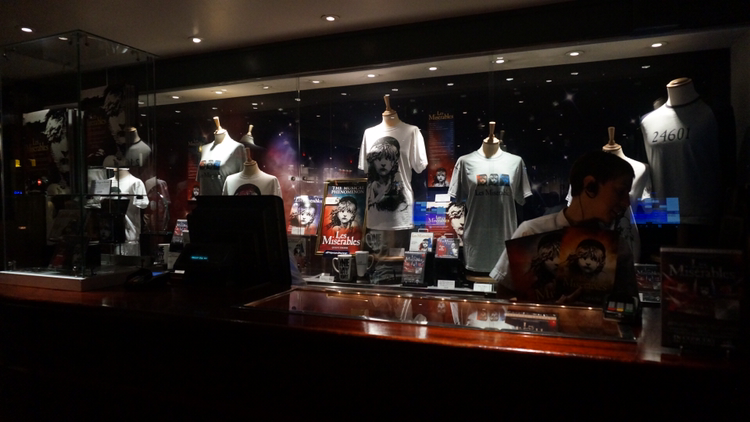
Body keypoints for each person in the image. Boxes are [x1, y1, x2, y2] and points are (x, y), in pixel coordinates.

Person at [490, 150, 636, 301]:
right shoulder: (530, 232)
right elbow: (504, 297)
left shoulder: (619, 247)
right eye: (620, 191)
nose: (626, 203)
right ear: (590, 186)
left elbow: (629, 305)